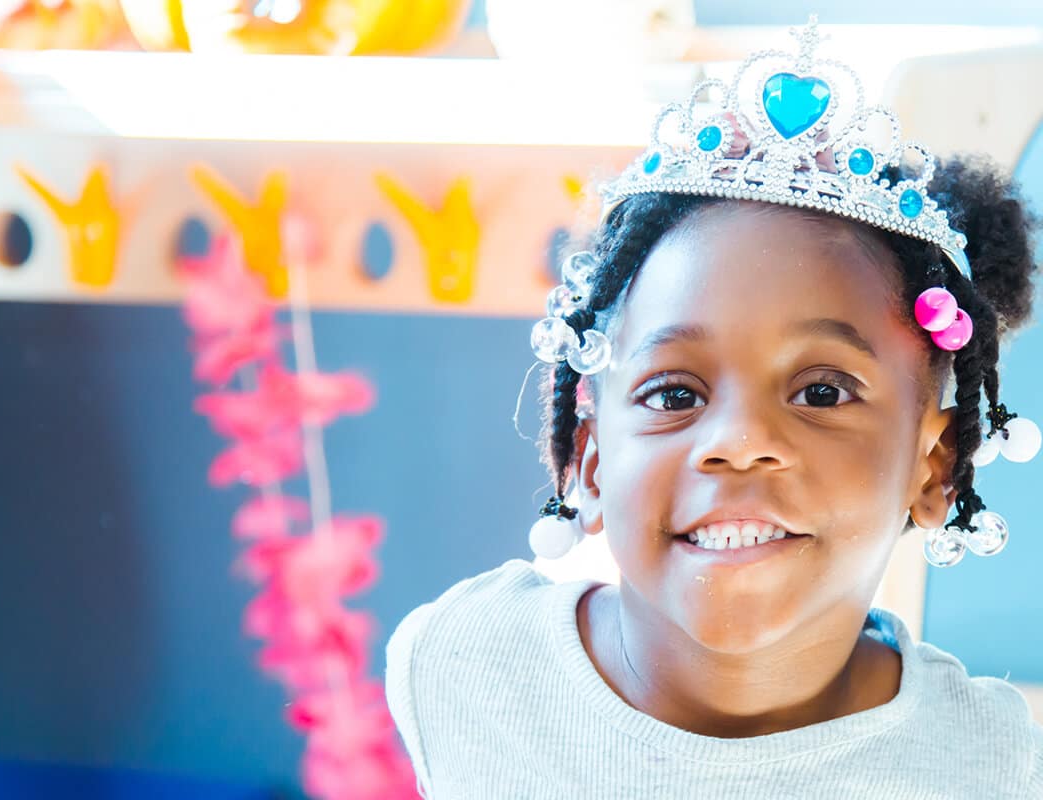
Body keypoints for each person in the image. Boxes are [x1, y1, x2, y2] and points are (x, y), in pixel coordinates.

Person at [384, 20, 1043, 799]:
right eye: (674, 394)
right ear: (589, 462)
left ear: (934, 468)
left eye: (821, 392)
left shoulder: (993, 767)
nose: (737, 442)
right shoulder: (461, 666)